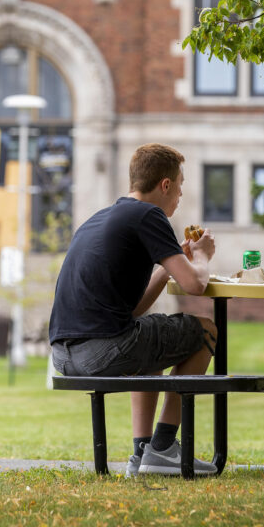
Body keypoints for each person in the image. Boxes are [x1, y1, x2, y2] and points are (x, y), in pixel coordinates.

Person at [49, 143, 219, 477]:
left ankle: (143, 453)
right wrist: (201, 256)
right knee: (206, 330)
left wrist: (170, 262)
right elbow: (196, 286)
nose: (180, 196)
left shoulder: (100, 218)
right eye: (180, 188)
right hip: (100, 349)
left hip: (64, 354)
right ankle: (164, 446)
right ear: (165, 185)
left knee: (150, 341)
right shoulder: (149, 214)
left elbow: (134, 310)